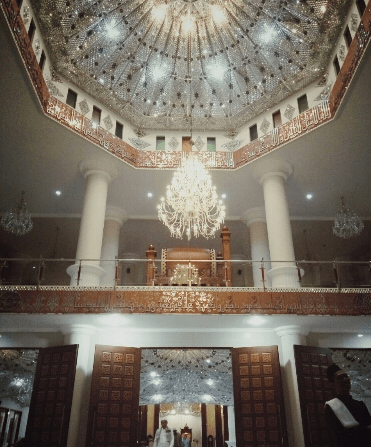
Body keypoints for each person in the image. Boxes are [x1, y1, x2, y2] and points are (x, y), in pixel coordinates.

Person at [325, 363, 371, 447]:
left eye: (346, 376)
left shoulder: (360, 404)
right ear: (332, 385)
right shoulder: (331, 406)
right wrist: (366, 429)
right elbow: (341, 435)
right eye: (340, 378)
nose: (345, 379)